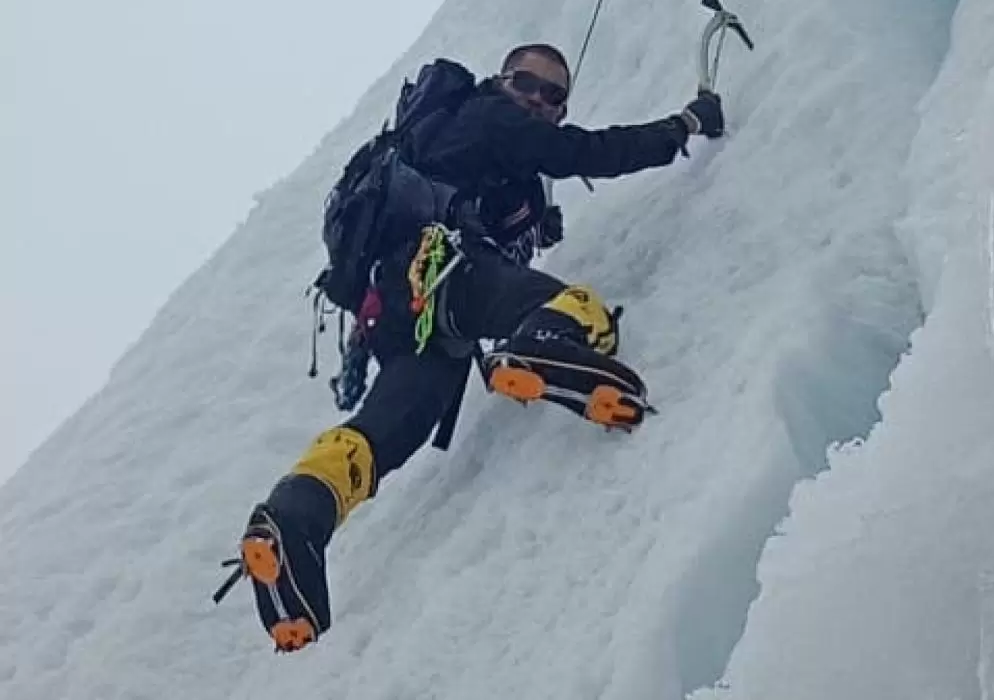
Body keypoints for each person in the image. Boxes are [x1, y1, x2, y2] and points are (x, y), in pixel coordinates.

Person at [231, 43, 724, 651]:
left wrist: (526, 218)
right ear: (500, 81)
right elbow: (587, 153)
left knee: (382, 436)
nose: (539, 101)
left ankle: (297, 515)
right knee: (576, 310)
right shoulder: (491, 115)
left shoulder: (453, 138)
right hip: (443, 271)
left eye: (554, 96)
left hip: (405, 313)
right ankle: (540, 346)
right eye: (528, 83)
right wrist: (686, 124)